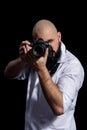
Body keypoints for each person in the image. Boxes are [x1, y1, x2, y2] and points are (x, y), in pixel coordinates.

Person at [4, 19, 84, 130]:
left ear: (59, 37)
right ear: (34, 41)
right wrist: (22, 60)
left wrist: (41, 69)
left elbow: (59, 107)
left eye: (50, 41)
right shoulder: (35, 55)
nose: (47, 48)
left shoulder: (72, 65)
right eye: (42, 43)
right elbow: (8, 73)